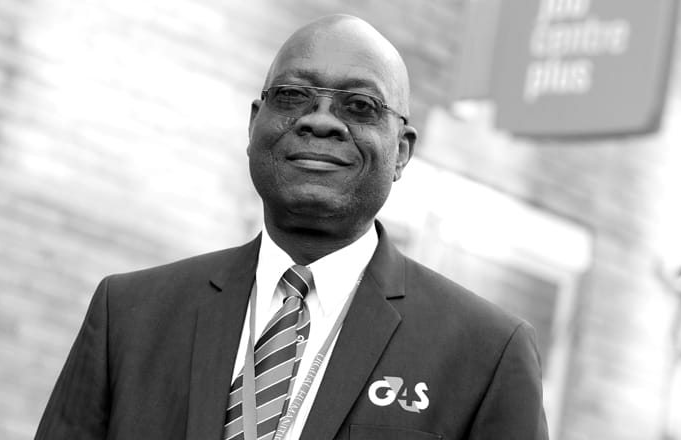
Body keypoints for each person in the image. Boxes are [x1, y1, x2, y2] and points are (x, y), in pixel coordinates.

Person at [35, 14, 548, 440]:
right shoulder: (129, 315)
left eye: (360, 106)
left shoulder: (488, 354)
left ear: (402, 152)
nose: (320, 120)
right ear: (254, 124)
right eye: (292, 95)